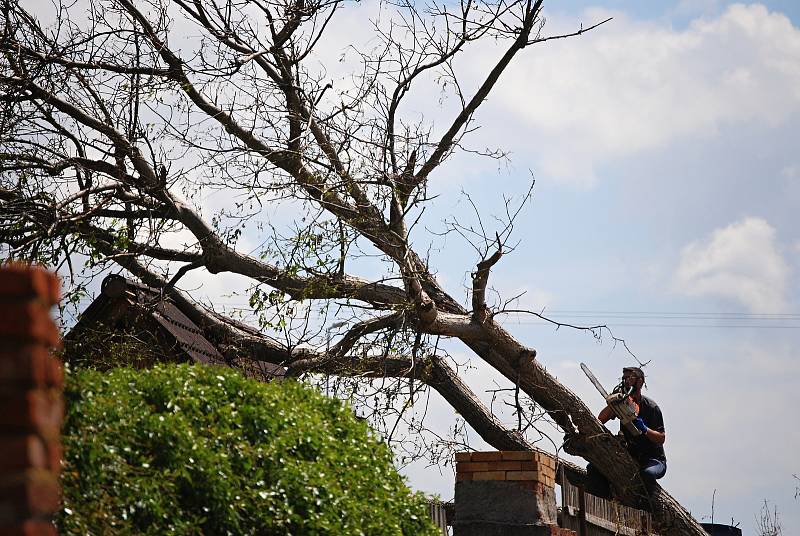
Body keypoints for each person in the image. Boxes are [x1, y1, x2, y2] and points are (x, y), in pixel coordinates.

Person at [585, 366, 667, 500]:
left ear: (640, 382)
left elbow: (661, 438)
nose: (626, 381)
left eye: (630, 378)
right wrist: (613, 404)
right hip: (630, 456)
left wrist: (645, 429)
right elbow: (600, 419)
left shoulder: (651, 408)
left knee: (647, 474)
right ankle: (604, 502)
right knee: (594, 467)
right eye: (624, 379)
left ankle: (649, 510)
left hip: (653, 459)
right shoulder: (623, 402)